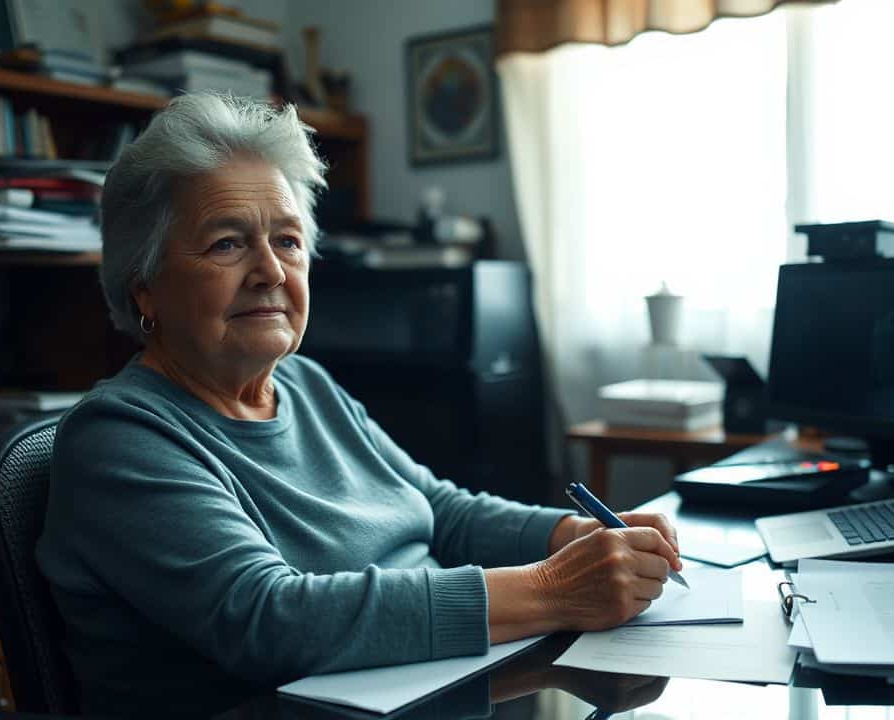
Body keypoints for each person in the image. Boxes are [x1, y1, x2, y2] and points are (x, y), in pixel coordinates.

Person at [35, 93, 684, 716]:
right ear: (143, 287)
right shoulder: (120, 437)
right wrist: (553, 588)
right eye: (227, 243)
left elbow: (439, 512)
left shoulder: (308, 385)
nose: (270, 270)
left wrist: (567, 534)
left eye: (287, 241)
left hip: (439, 686)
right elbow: (270, 618)